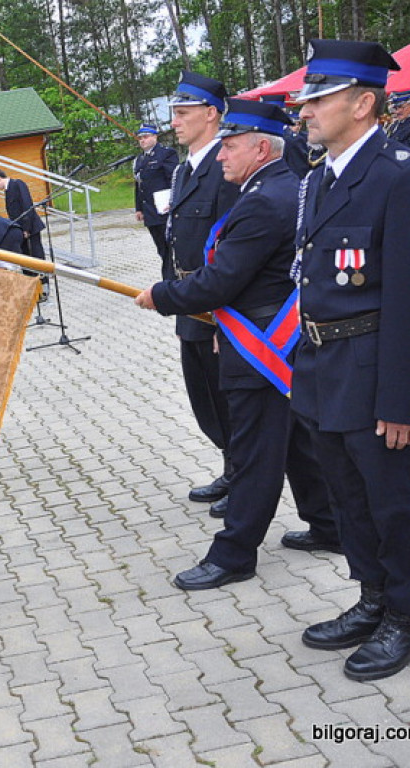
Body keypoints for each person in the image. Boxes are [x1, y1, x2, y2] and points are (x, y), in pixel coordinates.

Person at [136, 99, 334, 589]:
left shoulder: (265, 200)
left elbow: (219, 282)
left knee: (253, 452)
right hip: (280, 337)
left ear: (261, 147)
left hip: (260, 343)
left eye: (231, 145)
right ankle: (331, 525)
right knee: (295, 439)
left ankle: (234, 554)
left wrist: (160, 295)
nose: (222, 155)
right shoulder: (287, 187)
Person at [289, 39, 410, 681]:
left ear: (363, 103)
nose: (304, 110)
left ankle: (403, 616)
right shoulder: (317, 179)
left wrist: (400, 398)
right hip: (321, 366)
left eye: (318, 98)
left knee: (393, 503)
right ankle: (372, 598)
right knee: (348, 497)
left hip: (372, 370)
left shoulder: (395, 176)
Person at [165, 71, 240, 513]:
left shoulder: (224, 168)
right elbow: (175, 240)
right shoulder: (184, 169)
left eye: (183, 112)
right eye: (174, 113)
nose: (175, 121)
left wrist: (220, 316)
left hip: (218, 308)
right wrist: (177, 305)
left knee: (229, 399)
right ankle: (233, 468)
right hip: (190, 303)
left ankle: (245, 478)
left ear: (211, 114)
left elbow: (229, 250)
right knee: (205, 398)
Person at [0, 168, 49, 297]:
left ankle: (44, 287)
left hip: (30, 228)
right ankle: (31, 287)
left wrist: (26, 228)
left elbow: (27, 206)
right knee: (24, 258)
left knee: (37, 256)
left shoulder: (17, 184)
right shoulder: (7, 190)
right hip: (21, 230)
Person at [132, 123, 179, 280]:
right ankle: (171, 277)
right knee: (161, 247)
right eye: (140, 138)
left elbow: (174, 180)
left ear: (155, 137)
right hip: (150, 211)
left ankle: (170, 279)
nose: (142, 141)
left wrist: (174, 201)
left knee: (169, 248)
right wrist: (138, 208)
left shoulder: (166, 154)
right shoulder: (139, 160)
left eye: (146, 137)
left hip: (164, 208)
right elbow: (139, 185)